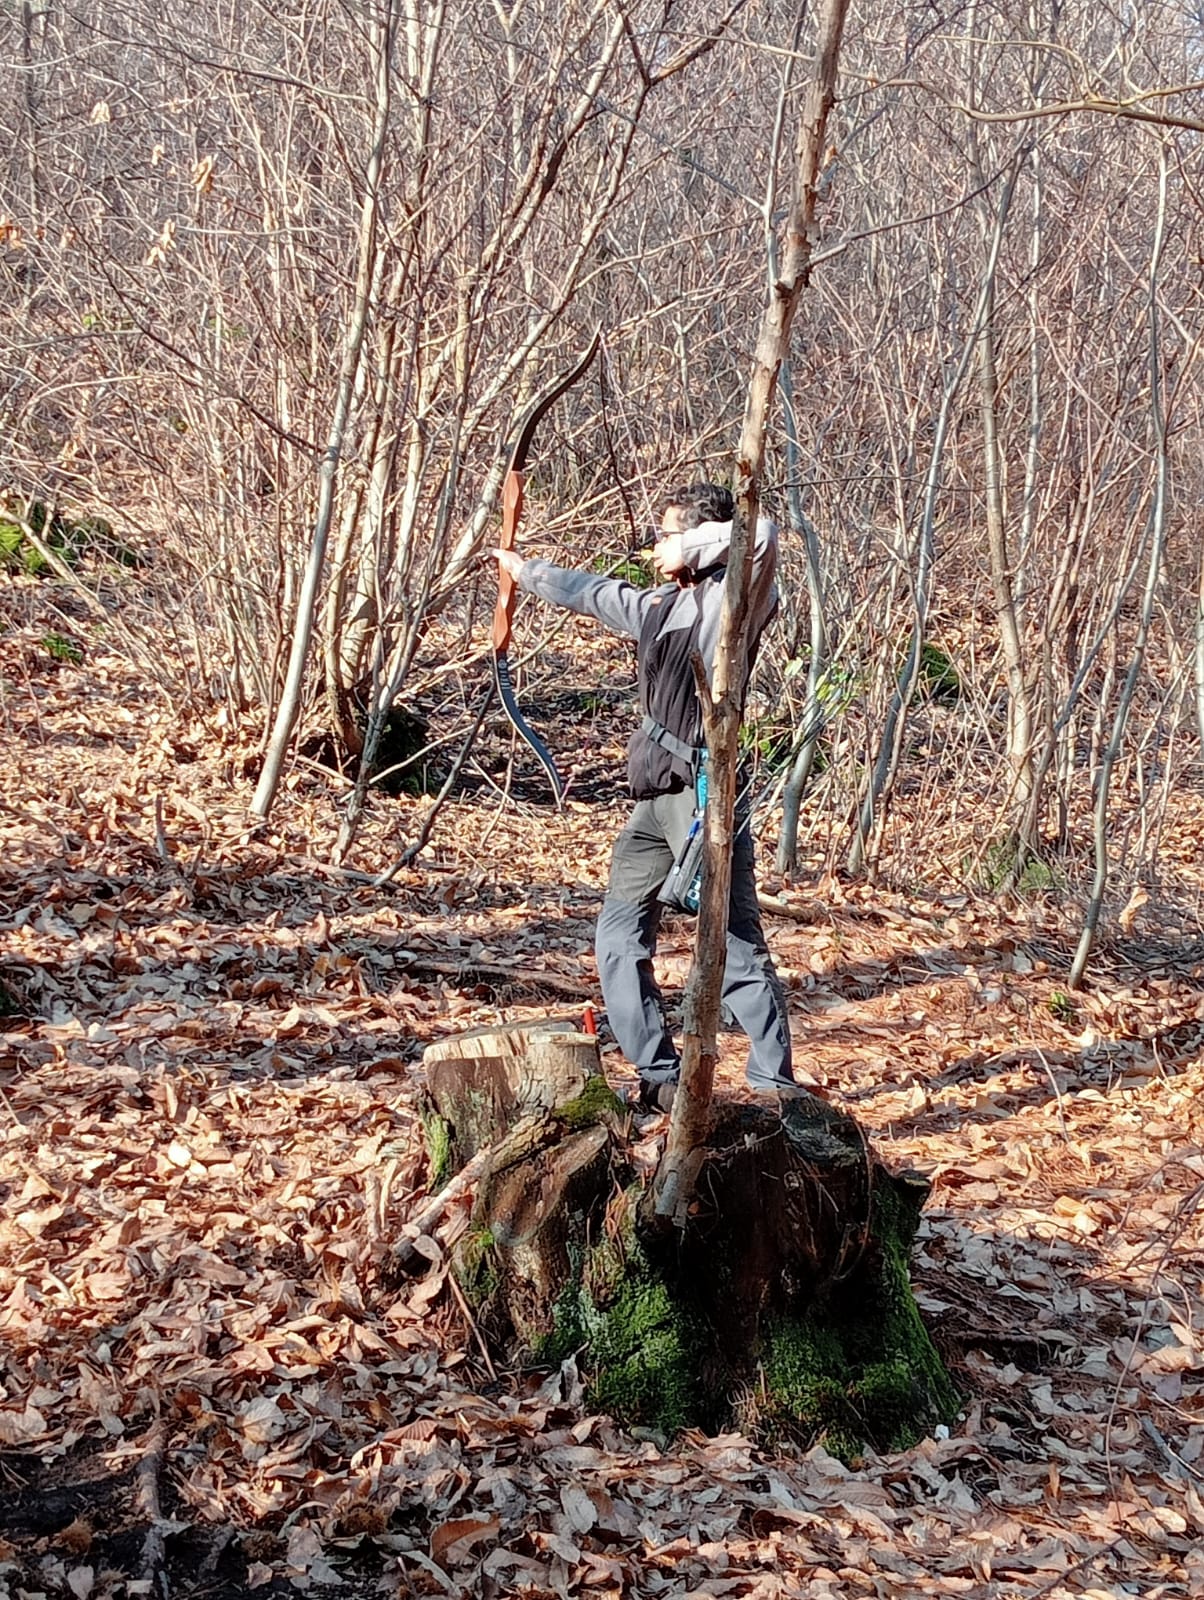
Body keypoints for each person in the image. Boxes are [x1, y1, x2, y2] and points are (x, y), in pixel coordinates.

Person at [493, 481, 796, 1112]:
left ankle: (774, 1088)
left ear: (700, 539)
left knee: (734, 943)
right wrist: (525, 572)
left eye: (667, 535)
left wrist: (690, 542)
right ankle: (659, 1076)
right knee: (618, 938)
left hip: (708, 800)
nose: (655, 548)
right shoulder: (661, 606)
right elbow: (597, 594)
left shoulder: (734, 604)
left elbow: (761, 536)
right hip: (654, 803)